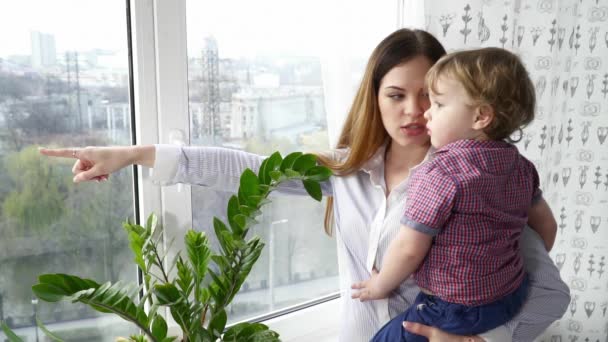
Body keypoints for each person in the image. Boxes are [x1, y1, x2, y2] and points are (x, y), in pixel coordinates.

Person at [39, 29, 570, 342]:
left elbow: (548, 292)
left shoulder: (478, 185)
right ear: (374, 97)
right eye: (395, 95)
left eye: (427, 97)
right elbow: (242, 166)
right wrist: (131, 153)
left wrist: (474, 338)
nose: (413, 111)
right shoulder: (347, 169)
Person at [350, 47, 558, 342]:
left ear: (481, 116)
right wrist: (504, 269)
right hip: (510, 298)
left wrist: (380, 285)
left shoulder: (439, 173)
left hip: (451, 309)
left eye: (438, 104)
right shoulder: (521, 167)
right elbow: (547, 227)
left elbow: (409, 249)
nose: (426, 112)